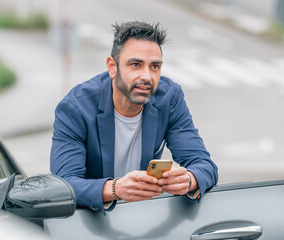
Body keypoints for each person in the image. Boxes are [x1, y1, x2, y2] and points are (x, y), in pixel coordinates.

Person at [50, 21, 218, 214]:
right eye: (136, 65)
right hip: (91, 221)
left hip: (143, 218)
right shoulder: (76, 108)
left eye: (154, 66)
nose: (147, 76)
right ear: (112, 67)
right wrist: (115, 189)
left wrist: (189, 179)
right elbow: (64, 185)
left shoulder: (169, 98)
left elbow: (205, 165)